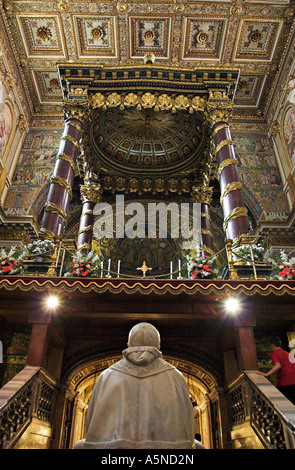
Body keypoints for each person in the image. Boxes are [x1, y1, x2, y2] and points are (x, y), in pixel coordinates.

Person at [73, 322, 196, 449]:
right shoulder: (175, 376)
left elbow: (92, 421)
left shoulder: (107, 376)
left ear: (129, 343)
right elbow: (188, 424)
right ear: (158, 345)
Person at [256, 336, 295, 405]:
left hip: (284, 383)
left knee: (284, 405)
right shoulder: (288, 354)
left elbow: (278, 365)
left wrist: (267, 374)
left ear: (272, 345)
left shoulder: (274, 354)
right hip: (293, 382)